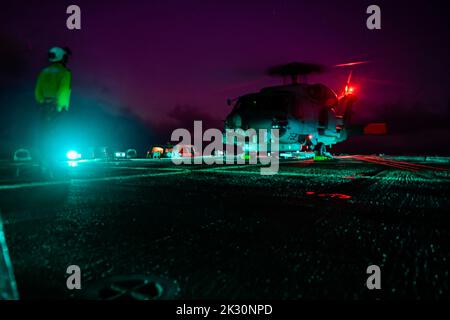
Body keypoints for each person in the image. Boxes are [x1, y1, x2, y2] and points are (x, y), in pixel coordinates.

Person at [34, 47, 72, 178]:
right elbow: (63, 90)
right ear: (61, 57)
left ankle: (43, 164)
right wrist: (61, 106)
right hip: (56, 107)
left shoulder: (44, 71)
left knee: (44, 135)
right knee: (55, 135)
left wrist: (41, 102)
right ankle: (53, 165)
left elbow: (38, 90)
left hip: (44, 106)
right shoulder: (64, 72)